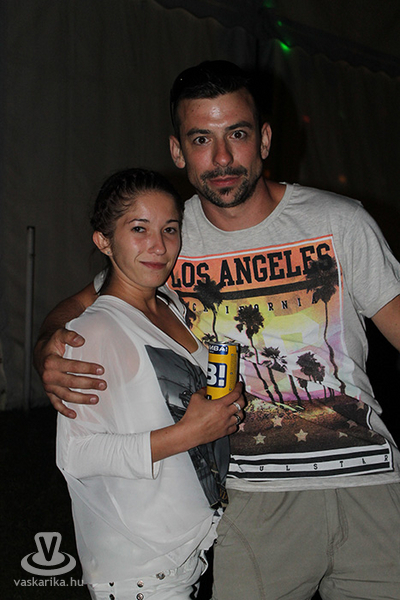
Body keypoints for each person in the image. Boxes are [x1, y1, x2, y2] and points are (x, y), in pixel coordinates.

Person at [35, 62, 400, 599]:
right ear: (178, 150)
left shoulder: (340, 221)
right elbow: (88, 302)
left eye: (238, 134)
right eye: (202, 139)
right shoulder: (167, 237)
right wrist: (47, 346)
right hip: (252, 501)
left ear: (265, 139)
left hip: (368, 482)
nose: (222, 158)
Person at [54, 167, 245, 600]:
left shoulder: (170, 306)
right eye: (139, 229)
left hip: (184, 553)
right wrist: (190, 432)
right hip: (138, 568)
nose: (159, 246)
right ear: (104, 241)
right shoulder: (95, 330)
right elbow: (75, 453)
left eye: (169, 229)